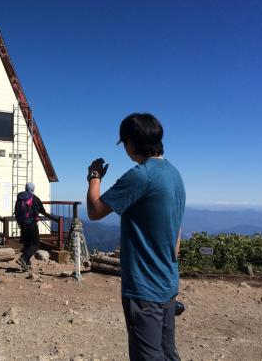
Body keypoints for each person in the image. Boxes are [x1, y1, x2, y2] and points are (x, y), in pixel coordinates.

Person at [86, 113, 185, 361]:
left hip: (144, 287)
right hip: (168, 281)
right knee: (167, 352)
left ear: (130, 142)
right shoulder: (174, 174)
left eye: (125, 144)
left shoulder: (140, 175)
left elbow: (95, 211)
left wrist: (94, 177)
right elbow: (177, 234)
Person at [14, 182, 45, 270]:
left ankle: (26, 264)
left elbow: (17, 210)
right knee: (36, 243)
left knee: (27, 243)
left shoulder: (20, 197)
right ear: (32, 189)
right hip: (31, 223)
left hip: (22, 223)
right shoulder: (35, 198)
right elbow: (42, 210)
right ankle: (24, 258)